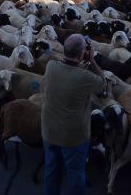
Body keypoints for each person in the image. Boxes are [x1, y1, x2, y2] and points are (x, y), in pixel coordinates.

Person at [42, 34, 106, 195]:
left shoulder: (51, 66)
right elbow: (102, 84)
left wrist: (81, 56)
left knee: (51, 168)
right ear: (83, 53)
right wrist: (92, 60)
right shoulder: (86, 77)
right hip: (73, 136)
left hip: (49, 130)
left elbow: (68, 68)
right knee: (75, 173)